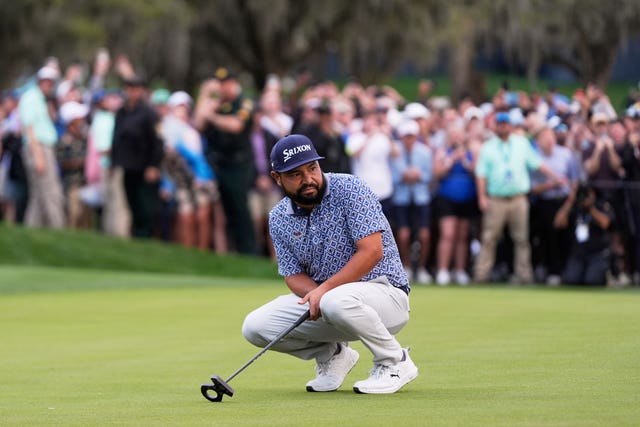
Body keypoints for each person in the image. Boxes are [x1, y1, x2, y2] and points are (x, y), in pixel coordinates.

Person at [242, 134, 418, 395]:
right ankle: (333, 355)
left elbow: (372, 252)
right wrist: (315, 295)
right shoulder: (278, 217)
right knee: (255, 326)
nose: (309, 179)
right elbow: (292, 275)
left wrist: (324, 293)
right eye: (295, 174)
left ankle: (394, 362)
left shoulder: (350, 188)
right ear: (277, 178)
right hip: (332, 303)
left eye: (312, 168)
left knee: (335, 300)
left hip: (385, 295)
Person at [473, 112, 567, 283]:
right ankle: (481, 274)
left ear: (510, 125)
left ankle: (524, 275)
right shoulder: (488, 147)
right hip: (496, 198)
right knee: (489, 238)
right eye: (500, 124)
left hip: (518, 198)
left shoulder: (521, 143)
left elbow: (537, 163)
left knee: (521, 238)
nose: (503, 127)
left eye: (506, 124)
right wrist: (482, 196)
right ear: (495, 126)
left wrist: (556, 177)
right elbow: (481, 174)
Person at [195, 68, 257, 254]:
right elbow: (198, 123)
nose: (221, 87)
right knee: (227, 212)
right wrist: (204, 95)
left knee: (240, 209)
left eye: (224, 83)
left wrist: (212, 116)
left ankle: (249, 250)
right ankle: (237, 250)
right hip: (220, 164)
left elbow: (236, 125)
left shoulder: (243, 102)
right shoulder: (217, 104)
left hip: (239, 165)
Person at [110, 75, 164, 238]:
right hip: (128, 165)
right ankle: (137, 234)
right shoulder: (122, 112)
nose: (132, 92)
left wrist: (154, 165)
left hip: (145, 167)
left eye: (136, 89)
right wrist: (113, 161)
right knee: (132, 203)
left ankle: (145, 236)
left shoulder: (149, 113)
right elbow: (116, 138)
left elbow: (157, 141)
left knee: (145, 206)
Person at [529, 126, 580, 285]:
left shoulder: (565, 154)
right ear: (538, 141)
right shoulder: (534, 158)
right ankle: (553, 271)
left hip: (565, 201)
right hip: (546, 203)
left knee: (567, 237)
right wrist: (550, 185)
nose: (549, 139)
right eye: (544, 136)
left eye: (550, 135)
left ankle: (567, 270)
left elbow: (574, 180)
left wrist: (567, 206)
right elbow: (532, 188)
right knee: (548, 238)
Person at [19, 66, 66, 229]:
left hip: (42, 147)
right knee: (51, 191)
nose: (50, 86)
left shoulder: (40, 99)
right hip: (38, 148)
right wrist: (38, 155)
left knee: (39, 194)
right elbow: (29, 128)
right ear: (41, 81)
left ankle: (33, 228)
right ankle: (57, 228)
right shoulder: (31, 97)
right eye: (48, 82)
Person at [432, 124, 478, 286]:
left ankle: (460, 270)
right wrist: (452, 160)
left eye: (459, 135)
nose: (456, 139)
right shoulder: (443, 152)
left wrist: (465, 161)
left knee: (462, 236)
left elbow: (477, 172)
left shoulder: (471, 152)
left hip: (467, 199)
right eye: (453, 135)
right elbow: (437, 173)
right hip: (447, 198)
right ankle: (443, 270)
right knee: (448, 234)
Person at [390, 120, 434, 284]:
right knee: (404, 234)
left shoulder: (425, 152)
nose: (409, 140)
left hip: (420, 197)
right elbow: (393, 176)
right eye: (406, 137)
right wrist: (405, 175)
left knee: (424, 235)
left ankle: (421, 268)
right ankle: (406, 266)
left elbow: (429, 176)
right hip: (402, 198)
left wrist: (418, 175)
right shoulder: (395, 152)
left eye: (412, 136)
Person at [562, 184, 614, 286]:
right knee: (571, 280)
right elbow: (558, 223)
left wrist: (591, 209)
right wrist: (570, 200)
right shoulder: (575, 207)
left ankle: (606, 275)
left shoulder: (601, 205)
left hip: (597, 253)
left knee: (592, 281)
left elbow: (605, 223)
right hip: (578, 254)